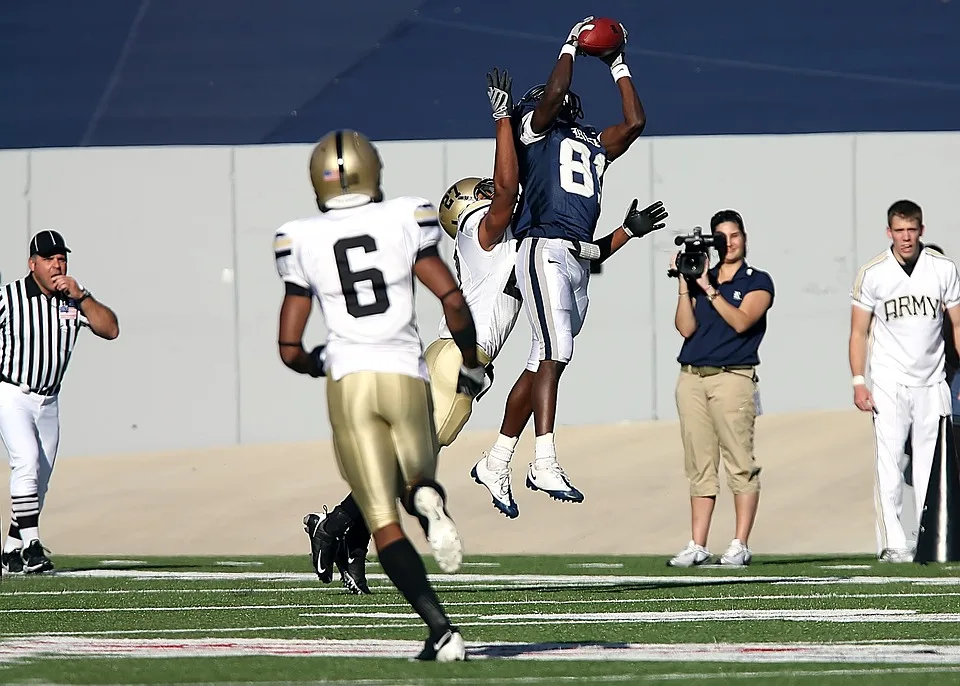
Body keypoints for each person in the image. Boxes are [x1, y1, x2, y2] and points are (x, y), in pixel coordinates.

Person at [303, 69, 667, 594]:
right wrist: (503, 123)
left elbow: (581, 253)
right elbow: (504, 192)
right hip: (455, 359)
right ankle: (336, 528)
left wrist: (626, 233)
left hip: (462, 363)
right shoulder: (482, 230)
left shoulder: (514, 241)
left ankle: (346, 536)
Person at [273, 128, 485, 661]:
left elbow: (289, 344)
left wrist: (315, 361)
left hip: (350, 381)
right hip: (402, 371)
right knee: (413, 480)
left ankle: (442, 631)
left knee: (380, 517)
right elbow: (453, 301)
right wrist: (473, 360)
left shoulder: (300, 237)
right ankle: (427, 500)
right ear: (373, 171)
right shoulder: (404, 219)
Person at [485, 16, 648, 505]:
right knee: (558, 353)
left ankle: (495, 460)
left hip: (577, 255)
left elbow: (636, 122)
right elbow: (553, 97)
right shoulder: (535, 134)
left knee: (542, 363)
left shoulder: (594, 144)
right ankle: (544, 463)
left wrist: (618, 64)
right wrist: (570, 47)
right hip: (543, 248)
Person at [0, 230, 120, 575]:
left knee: (40, 478)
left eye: (61, 258)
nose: (57, 264)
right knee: (26, 462)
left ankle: (10, 551)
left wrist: (83, 296)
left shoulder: (71, 299)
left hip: (49, 400)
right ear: (32, 264)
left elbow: (110, 329)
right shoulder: (9, 297)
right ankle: (33, 546)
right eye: (49, 258)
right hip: (12, 392)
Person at [849, 200, 960, 563]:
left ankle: (931, 539)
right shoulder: (874, 272)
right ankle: (892, 541)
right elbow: (858, 331)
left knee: (932, 465)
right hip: (889, 381)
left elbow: (957, 324)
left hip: (931, 380)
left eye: (912, 229)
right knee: (891, 461)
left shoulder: (942, 268)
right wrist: (858, 381)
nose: (906, 237)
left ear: (922, 230)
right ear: (889, 232)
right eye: (900, 230)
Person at [667, 210, 774, 568]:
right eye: (721, 236)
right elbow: (685, 328)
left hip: (733, 377)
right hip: (692, 377)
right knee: (699, 464)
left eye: (735, 235)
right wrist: (686, 283)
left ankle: (739, 543)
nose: (729, 243)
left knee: (740, 463)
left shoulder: (757, 281)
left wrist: (711, 290)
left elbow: (742, 321)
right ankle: (698, 543)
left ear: (744, 238)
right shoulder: (702, 278)